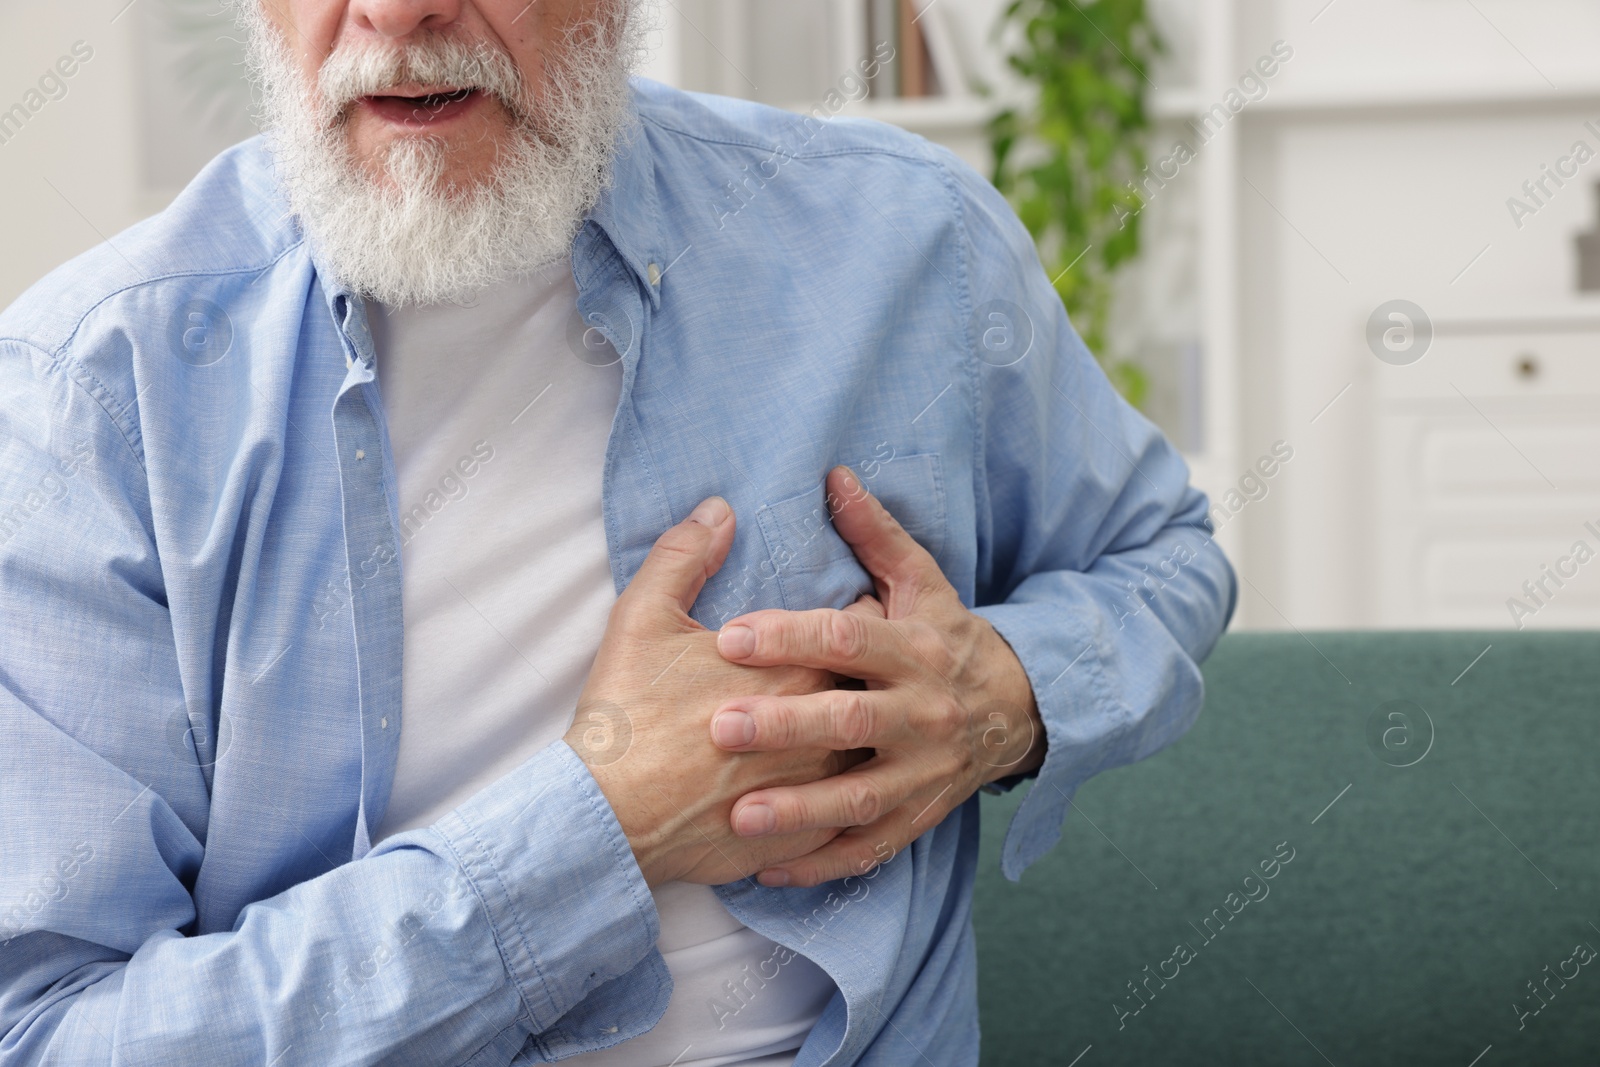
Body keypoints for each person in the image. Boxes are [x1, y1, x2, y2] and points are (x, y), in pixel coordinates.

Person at [0, 0, 1236, 1063]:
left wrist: (1002, 699)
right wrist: (604, 823)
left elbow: (1160, 554)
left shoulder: (909, 245)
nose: (398, 11)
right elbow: (53, 1030)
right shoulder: (91, 397)